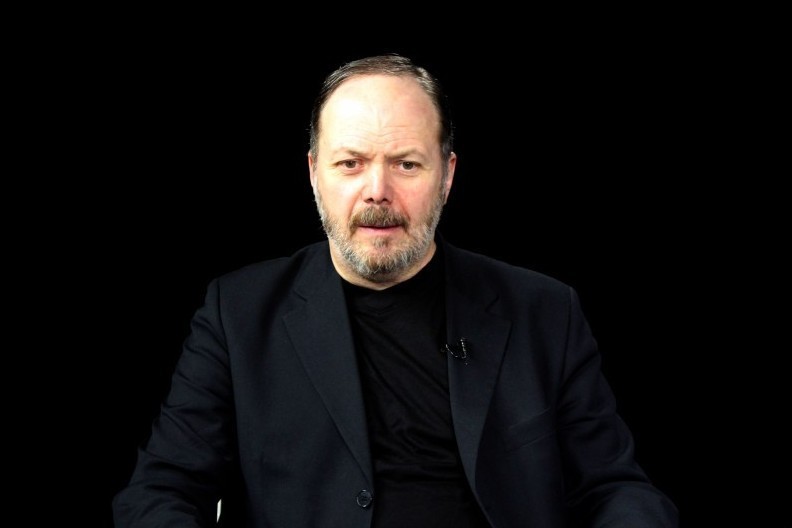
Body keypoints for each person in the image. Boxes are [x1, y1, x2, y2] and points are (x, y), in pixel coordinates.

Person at [113, 53, 679, 527]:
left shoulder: (545, 310)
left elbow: (616, 489)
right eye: (350, 163)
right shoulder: (237, 314)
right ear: (313, 174)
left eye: (406, 164)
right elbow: (160, 493)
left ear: (447, 175)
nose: (377, 190)